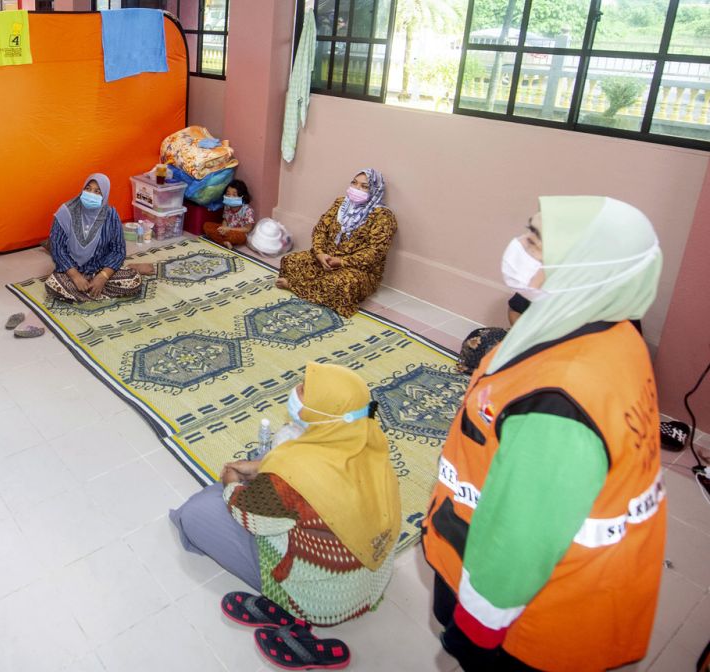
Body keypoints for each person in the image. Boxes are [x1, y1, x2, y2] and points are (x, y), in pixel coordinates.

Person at [422, 197, 665, 671]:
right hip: (553, 590)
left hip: (532, 618)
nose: (519, 247)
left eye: (535, 241)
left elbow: (521, 537)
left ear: (585, 268)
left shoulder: (562, 399)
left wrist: (477, 627)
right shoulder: (609, 334)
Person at [170, 362, 401, 627]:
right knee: (264, 460)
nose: (296, 391)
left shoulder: (295, 472)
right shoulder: (371, 445)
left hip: (323, 600)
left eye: (304, 391)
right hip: (370, 578)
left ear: (325, 413)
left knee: (197, 513)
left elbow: (246, 513)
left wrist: (230, 481)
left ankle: (288, 605)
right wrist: (262, 468)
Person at [276, 169, 397, 318]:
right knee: (290, 261)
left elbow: (375, 253)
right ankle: (315, 290)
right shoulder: (340, 204)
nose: (356, 189)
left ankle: (294, 286)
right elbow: (320, 229)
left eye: (364, 186)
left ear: (375, 190)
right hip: (326, 259)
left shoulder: (383, 217)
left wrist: (341, 261)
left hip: (356, 269)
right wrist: (320, 253)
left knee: (339, 285)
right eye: (354, 183)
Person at [44, 173, 142, 302]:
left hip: (100, 268)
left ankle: (87, 293)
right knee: (53, 284)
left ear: (104, 195)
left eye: (97, 191)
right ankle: (95, 293)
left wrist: (103, 276)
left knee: (133, 280)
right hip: (71, 270)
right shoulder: (66, 211)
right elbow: (57, 247)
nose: (91, 194)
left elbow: (118, 250)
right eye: (88, 189)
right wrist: (75, 276)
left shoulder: (111, 215)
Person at [203, 179, 254, 249]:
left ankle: (222, 240)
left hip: (238, 233)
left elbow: (247, 229)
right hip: (227, 230)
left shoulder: (247, 210)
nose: (230, 197)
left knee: (240, 237)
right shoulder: (227, 206)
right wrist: (223, 228)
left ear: (242, 196)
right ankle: (225, 242)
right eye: (228, 194)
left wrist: (229, 229)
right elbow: (225, 220)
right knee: (207, 226)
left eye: (234, 195)